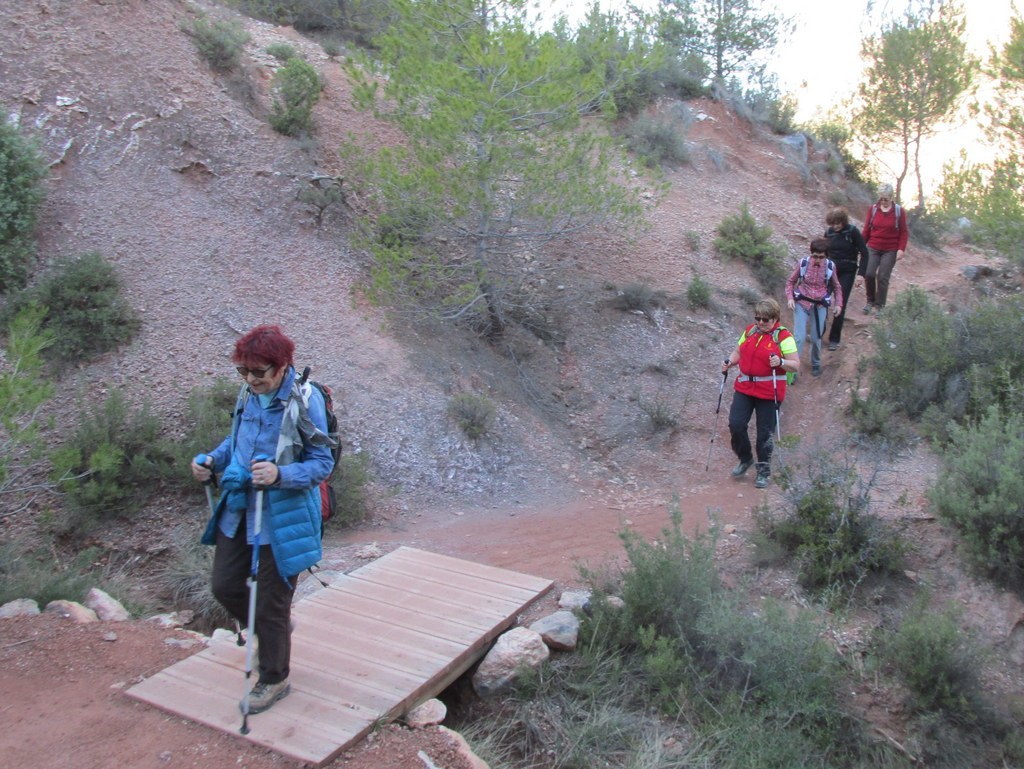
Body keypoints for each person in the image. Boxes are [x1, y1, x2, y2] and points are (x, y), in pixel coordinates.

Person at [190, 324, 335, 715]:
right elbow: (236, 440)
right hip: (240, 510)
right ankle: (272, 633)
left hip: (283, 518)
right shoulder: (248, 395)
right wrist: (212, 460)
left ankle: (274, 678)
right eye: (243, 372)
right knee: (224, 585)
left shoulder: (306, 400)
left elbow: (323, 463)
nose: (251, 380)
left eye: (258, 372)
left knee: (270, 604)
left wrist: (279, 475)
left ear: (282, 365)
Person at [721, 299, 799, 489]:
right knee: (736, 423)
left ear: (775, 319)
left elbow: (795, 365)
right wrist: (730, 362)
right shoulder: (750, 331)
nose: (761, 322)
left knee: (765, 433)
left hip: (769, 391)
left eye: (766, 319)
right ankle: (745, 458)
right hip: (745, 387)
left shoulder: (784, 337)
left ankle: (763, 470)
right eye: (758, 318)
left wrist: (780, 362)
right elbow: (738, 351)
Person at [785, 238, 843, 378]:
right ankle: (792, 370)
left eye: (821, 257)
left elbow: (837, 287)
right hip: (802, 303)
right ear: (811, 254)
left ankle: (816, 363)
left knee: (817, 337)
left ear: (826, 256)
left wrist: (838, 304)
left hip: (820, 305)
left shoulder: (830, 267)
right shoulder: (803, 264)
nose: (817, 260)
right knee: (799, 337)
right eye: (815, 256)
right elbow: (790, 282)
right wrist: (790, 298)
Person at [823, 207, 869, 351]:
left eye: (838, 223)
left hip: (847, 271)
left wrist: (861, 274)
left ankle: (834, 339)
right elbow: (823, 252)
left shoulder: (852, 232)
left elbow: (864, 253)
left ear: (844, 221)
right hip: (830, 270)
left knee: (840, 304)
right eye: (833, 223)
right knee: (822, 301)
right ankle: (818, 333)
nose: (836, 226)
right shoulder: (829, 233)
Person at [862, 183, 909, 314]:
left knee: (882, 277)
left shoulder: (899, 211)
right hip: (873, 247)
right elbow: (866, 230)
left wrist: (901, 249)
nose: (883, 201)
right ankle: (870, 301)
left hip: (890, 249)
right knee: (869, 274)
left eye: (886, 199)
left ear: (891, 198)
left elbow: (904, 232)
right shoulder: (873, 210)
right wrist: (860, 245)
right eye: (881, 199)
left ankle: (880, 306)